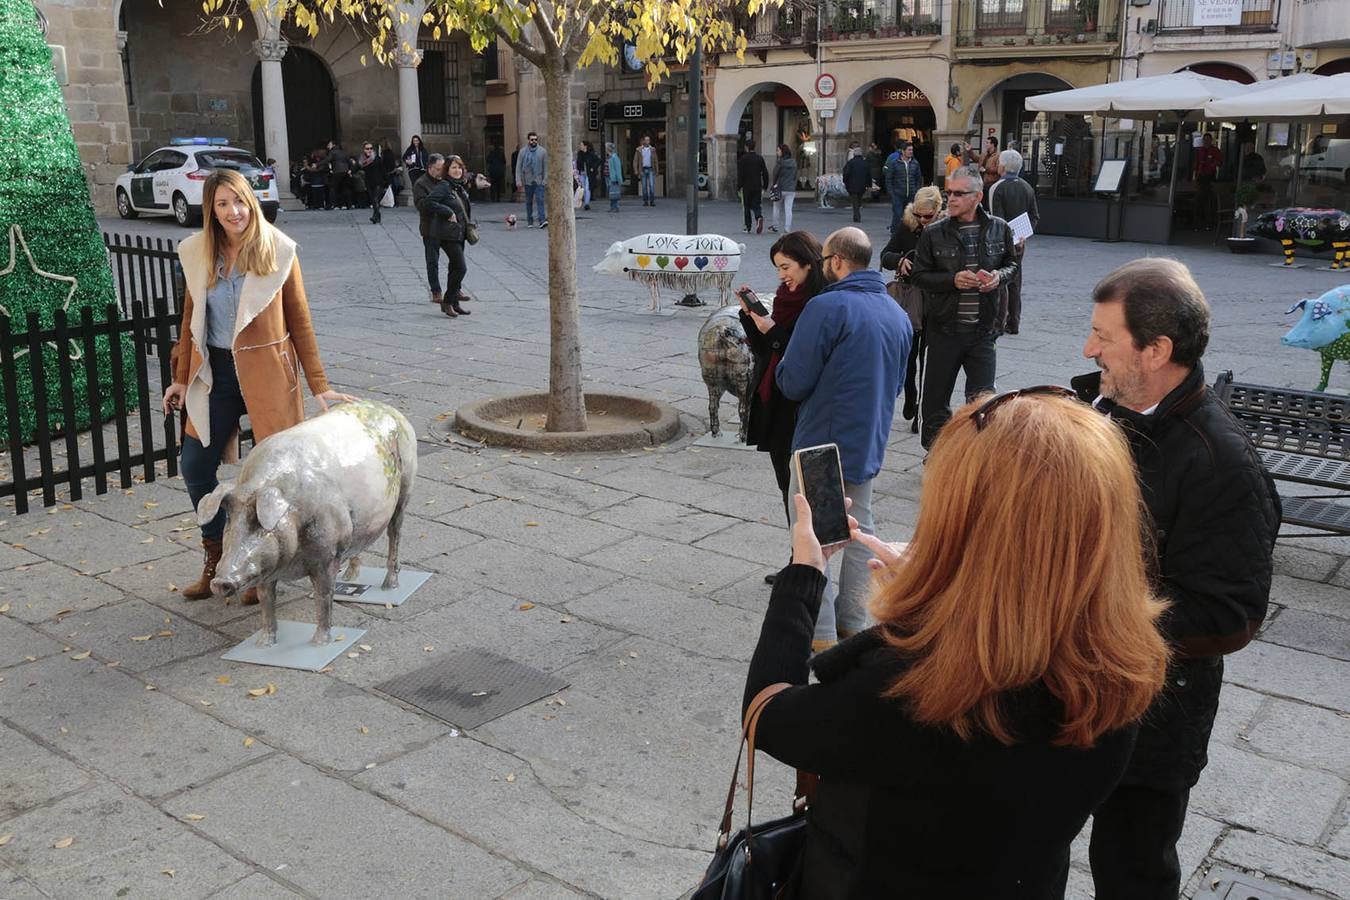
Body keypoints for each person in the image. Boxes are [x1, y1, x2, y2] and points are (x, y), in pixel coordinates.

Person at [744, 389, 1170, 898]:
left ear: (973, 525)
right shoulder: (1122, 661)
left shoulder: (911, 687)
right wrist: (948, 590)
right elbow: (1028, 601)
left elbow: (766, 714)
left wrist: (806, 573)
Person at [1072, 259, 1279, 900]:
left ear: (1157, 350)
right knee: (1028, 841)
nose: (1088, 348)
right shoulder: (1100, 411)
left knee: (1132, 867)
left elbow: (1228, 617)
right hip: (1066, 688)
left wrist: (1086, 610)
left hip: (1150, 716)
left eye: (1104, 336)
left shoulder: (1222, 464)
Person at [161, 169, 355, 606]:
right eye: (224, 203)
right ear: (211, 209)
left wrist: (319, 386)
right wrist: (179, 378)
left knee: (274, 481)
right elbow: (191, 324)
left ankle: (261, 571)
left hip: (269, 372)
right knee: (194, 467)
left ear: (252, 201)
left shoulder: (279, 251)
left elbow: (301, 322)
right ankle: (215, 555)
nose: (235, 211)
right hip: (215, 375)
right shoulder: (197, 254)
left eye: (241, 201)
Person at [776, 227, 911, 650]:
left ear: (835, 261)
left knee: (814, 534)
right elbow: (898, 385)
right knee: (859, 530)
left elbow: (793, 381)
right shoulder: (897, 313)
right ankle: (853, 620)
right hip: (868, 436)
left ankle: (817, 632)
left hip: (822, 441)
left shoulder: (826, 307)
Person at [911, 166, 1018, 450]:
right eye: (949, 192)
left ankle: (978, 456)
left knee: (984, 402)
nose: (951, 198)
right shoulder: (933, 233)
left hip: (984, 330)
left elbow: (1012, 265)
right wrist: (952, 280)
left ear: (977, 196)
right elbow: (919, 276)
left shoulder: (1000, 228)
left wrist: (999, 277)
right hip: (945, 329)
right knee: (935, 401)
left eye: (959, 193)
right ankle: (935, 455)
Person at [736, 231, 826, 538]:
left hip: (800, 407)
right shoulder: (785, 299)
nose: (781, 274)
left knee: (804, 491)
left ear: (809, 265)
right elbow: (767, 350)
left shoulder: (820, 303)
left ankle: (806, 562)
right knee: (786, 486)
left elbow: (803, 357)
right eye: (778, 267)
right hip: (775, 402)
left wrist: (772, 329)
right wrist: (752, 317)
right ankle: (798, 558)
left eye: (786, 266)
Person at [881, 185, 944, 430]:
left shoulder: (947, 229)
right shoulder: (908, 225)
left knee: (929, 358)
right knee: (908, 353)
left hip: (937, 300)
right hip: (910, 298)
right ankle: (910, 392)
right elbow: (885, 255)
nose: (922, 220)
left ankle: (922, 408)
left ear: (938, 209)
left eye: (927, 216)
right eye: (918, 215)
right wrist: (900, 260)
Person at [989, 149, 1039, 336]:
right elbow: (1034, 216)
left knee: (1000, 279)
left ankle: (998, 323)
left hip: (1002, 243)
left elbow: (997, 219)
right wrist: (1021, 236)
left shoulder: (997, 187)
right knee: (1015, 281)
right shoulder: (1027, 187)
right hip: (1020, 242)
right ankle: (1014, 322)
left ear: (1002, 166)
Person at [421, 155, 473, 318]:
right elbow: (428, 202)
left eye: (459, 168)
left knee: (454, 268)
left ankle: (454, 303)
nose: (457, 171)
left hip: (459, 232)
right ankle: (448, 301)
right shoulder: (444, 185)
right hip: (445, 233)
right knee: (461, 267)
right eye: (453, 168)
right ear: (447, 171)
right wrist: (447, 211)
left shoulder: (459, 186)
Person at [414, 153, 448, 305]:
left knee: (457, 260)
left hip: (448, 227)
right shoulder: (421, 183)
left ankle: (456, 288)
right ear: (430, 168)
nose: (441, 172)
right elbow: (421, 205)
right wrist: (439, 204)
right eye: (439, 169)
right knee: (432, 261)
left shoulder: (446, 181)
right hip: (431, 227)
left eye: (443, 168)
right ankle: (436, 291)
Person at [884, 141, 921, 233]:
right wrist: (891, 193)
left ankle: (907, 234)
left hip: (911, 195)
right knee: (898, 215)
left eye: (912, 150)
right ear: (903, 151)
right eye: (909, 150)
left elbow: (918, 179)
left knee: (910, 216)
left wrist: (916, 191)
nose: (911, 152)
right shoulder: (894, 163)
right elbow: (889, 179)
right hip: (898, 194)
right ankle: (895, 234)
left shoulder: (915, 163)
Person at [514, 131, 547, 228]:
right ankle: (530, 221)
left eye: (536, 139)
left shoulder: (542, 151)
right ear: (528, 140)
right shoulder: (522, 152)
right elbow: (518, 167)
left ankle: (542, 220)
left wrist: (545, 179)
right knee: (528, 201)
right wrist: (518, 181)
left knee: (540, 200)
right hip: (527, 180)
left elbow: (546, 167)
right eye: (532, 139)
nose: (534, 141)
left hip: (538, 180)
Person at [737, 139, 769, 234]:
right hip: (757, 186)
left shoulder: (743, 159)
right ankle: (759, 217)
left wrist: (739, 186)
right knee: (757, 205)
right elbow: (765, 172)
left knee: (746, 206)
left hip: (746, 187)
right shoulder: (759, 158)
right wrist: (765, 185)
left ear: (746, 147)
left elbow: (740, 174)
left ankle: (748, 226)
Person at [1194, 132, 1223, 229]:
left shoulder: (1215, 150)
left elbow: (1220, 162)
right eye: (1204, 140)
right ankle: (1198, 223)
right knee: (1199, 200)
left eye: (1207, 140)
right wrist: (1195, 175)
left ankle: (1208, 222)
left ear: (1211, 141)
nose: (1206, 142)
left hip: (1210, 178)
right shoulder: (1200, 151)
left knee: (1209, 201)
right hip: (1200, 177)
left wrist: (1212, 164)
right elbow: (1196, 164)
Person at [769, 143, 797, 233]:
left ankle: (775, 226)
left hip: (780, 188)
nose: (777, 152)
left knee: (776, 207)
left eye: (778, 150)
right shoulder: (794, 162)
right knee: (788, 209)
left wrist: (773, 184)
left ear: (782, 152)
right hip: (791, 189)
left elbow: (775, 174)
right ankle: (787, 228)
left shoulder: (780, 162)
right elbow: (795, 175)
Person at [357, 140, 387, 225]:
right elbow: (357, 167)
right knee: (373, 200)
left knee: (375, 199)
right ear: (364, 150)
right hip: (369, 182)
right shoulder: (362, 160)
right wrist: (350, 171)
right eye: (367, 148)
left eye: (371, 148)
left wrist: (387, 181)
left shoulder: (377, 158)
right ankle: (377, 215)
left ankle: (375, 216)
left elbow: (383, 170)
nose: (369, 150)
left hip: (378, 181)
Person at [842, 146, 870, 223]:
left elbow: (846, 173)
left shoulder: (850, 162)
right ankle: (857, 215)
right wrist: (868, 184)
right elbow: (868, 174)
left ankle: (857, 217)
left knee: (855, 202)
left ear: (854, 154)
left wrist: (845, 181)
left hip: (852, 185)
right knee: (859, 200)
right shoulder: (865, 163)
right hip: (862, 186)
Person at [325, 140, 353, 209]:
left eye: (329, 144)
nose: (328, 146)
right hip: (345, 172)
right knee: (345, 189)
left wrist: (317, 164)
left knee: (333, 188)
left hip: (337, 172)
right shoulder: (343, 152)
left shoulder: (332, 152)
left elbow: (327, 160)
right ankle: (347, 205)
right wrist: (350, 170)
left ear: (333, 145)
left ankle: (334, 205)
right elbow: (350, 162)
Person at [633, 134, 659, 207]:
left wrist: (657, 170)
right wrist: (636, 170)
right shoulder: (638, 150)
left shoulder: (653, 149)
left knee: (651, 186)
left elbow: (656, 160)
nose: (648, 141)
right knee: (644, 187)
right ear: (643, 141)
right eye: (646, 140)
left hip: (651, 169)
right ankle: (645, 201)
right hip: (643, 170)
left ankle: (652, 201)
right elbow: (635, 161)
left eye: (649, 140)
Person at [575, 140, 598, 211]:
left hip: (589, 174)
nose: (580, 146)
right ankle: (585, 201)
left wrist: (593, 168)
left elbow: (598, 160)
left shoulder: (591, 153)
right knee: (583, 188)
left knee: (587, 188)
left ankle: (587, 204)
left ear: (585, 146)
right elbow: (578, 163)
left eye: (581, 145)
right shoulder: (580, 153)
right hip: (582, 173)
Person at [980, 135, 1000, 200]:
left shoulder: (998, 155)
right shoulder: (985, 154)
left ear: (992, 144)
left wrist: (986, 170)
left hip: (992, 183)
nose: (986, 144)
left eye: (987, 143)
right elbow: (977, 159)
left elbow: (998, 169)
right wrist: (970, 151)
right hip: (982, 183)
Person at [605, 141, 623, 213]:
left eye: (606, 148)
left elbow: (618, 169)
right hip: (609, 177)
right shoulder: (609, 157)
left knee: (614, 193)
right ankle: (612, 207)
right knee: (611, 193)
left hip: (613, 178)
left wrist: (619, 179)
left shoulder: (615, 157)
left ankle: (615, 207)